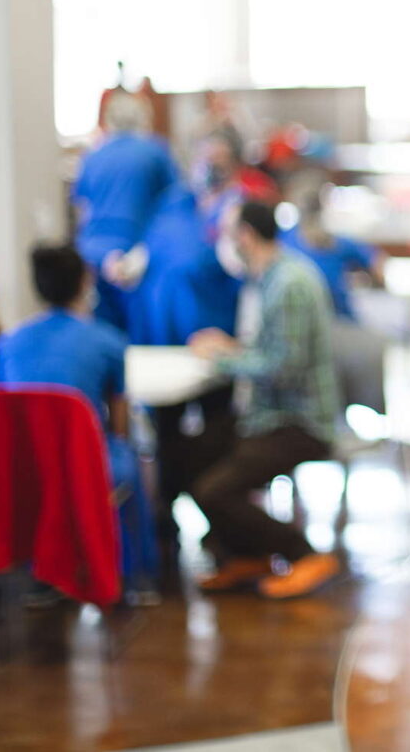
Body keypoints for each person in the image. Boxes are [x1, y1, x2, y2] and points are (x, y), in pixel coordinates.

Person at [187, 201, 343, 599]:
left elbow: (284, 368)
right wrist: (233, 347)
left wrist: (224, 358)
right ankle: (246, 553)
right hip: (270, 414)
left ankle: (305, 554)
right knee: (187, 458)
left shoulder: (287, 284)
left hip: (299, 421)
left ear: (245, 236)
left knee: (215, 489)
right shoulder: (269, 278)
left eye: (226, 233)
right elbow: (271, 349)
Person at [0, 244, 157, 596]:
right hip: (84, 464)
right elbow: (120, 420)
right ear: (86, 282)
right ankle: (134, 574)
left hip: (21, 466)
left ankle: (35, 566)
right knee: (130, 458)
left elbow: (2, 408)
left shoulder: (8, 343)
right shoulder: (108, 341)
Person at [123, 184, 242, 564]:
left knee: (216, 431)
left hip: (212, 346)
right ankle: (168, 516)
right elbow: (136, 268)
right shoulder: (169, 214)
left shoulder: (231, 212)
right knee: (169, 434)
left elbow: (237, 268)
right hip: (167, 345)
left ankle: (217, 518)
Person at [72, 92, 179, 331]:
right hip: (135, 253)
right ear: (144, 117)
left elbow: (82, 207)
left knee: (102, 329)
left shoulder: (93, 156)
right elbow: (173, 207)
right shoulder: (155, 152)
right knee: (138, 332)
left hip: (92, 253)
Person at [280, 179, 388, 414]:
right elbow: (379, 268)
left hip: (315, 332)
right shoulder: (330, 242)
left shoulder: (288, 243)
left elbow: (378, 266)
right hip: (332, 331)